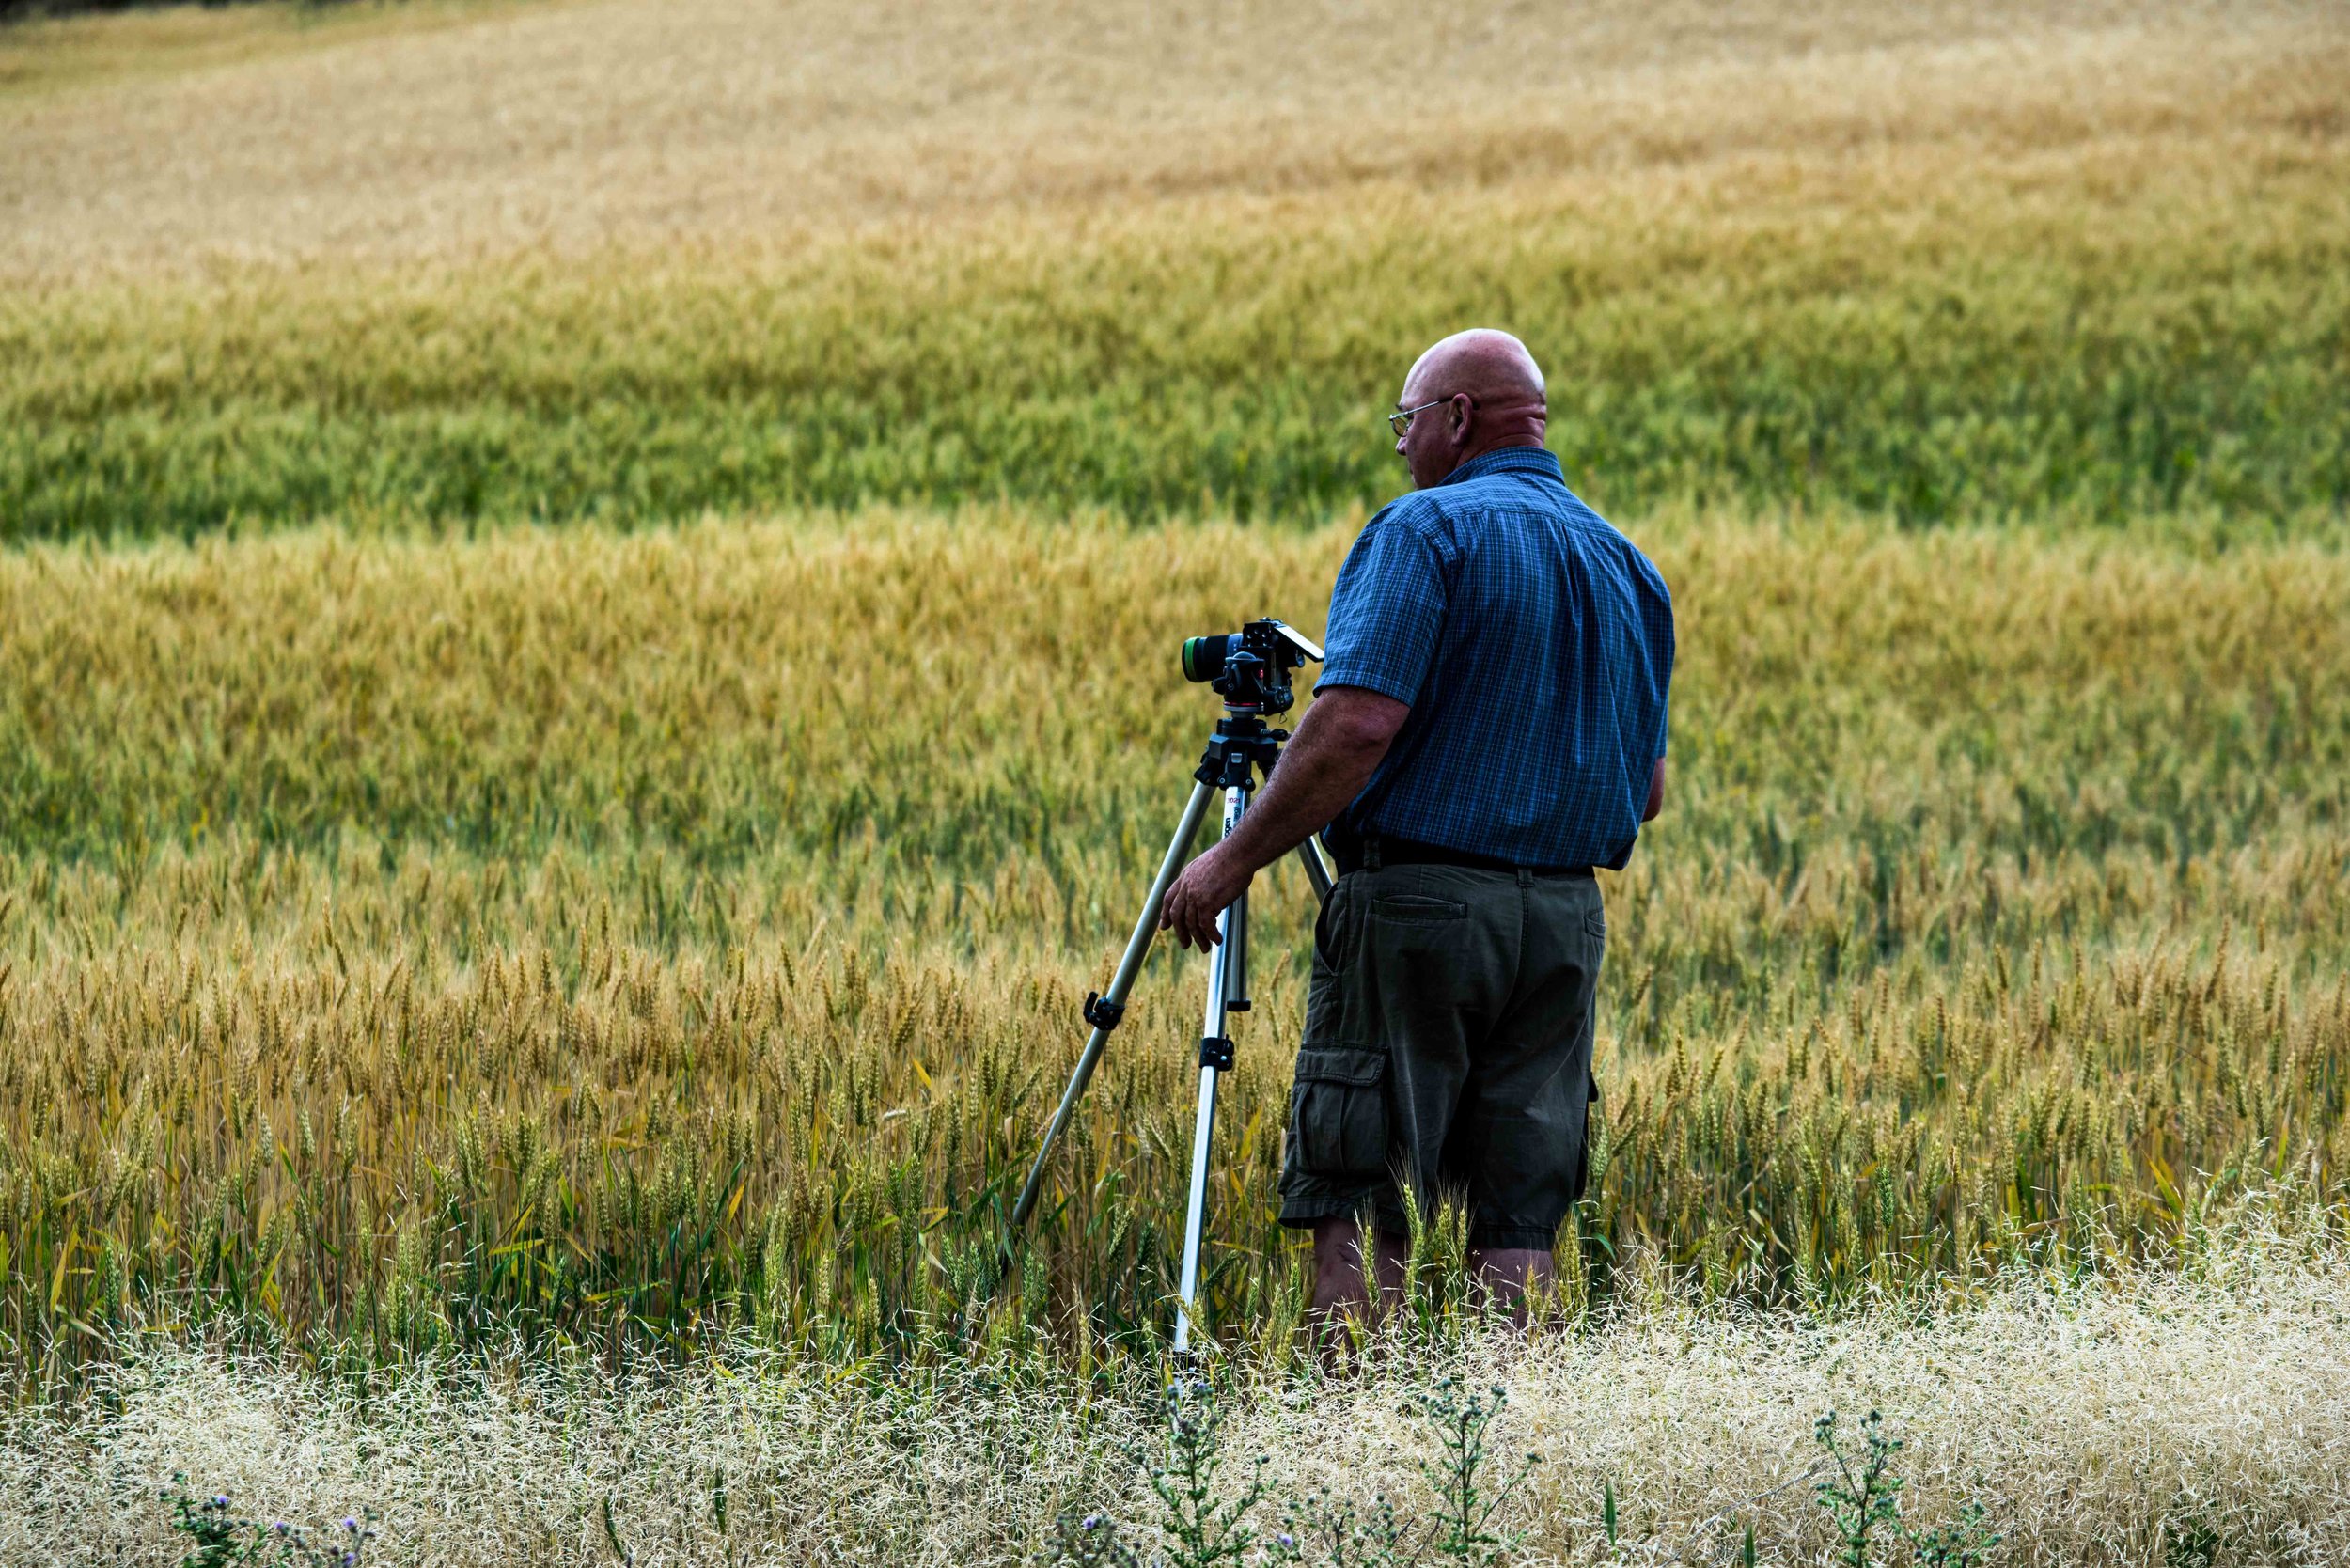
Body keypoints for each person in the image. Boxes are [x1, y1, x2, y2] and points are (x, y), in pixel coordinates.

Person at [1158, 327, 1674, 1325]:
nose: (1399, 445)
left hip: (1420, 911)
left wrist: (1231, 861)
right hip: (1565, 925)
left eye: (1406, 421)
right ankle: (1507, 1467)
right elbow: (1644, 792)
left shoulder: (1422, 531)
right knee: (1518, 1214)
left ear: (1455, 418)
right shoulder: (1630, 569)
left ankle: (1358, 1457)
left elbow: (1354, 722)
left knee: (1366, 1194)